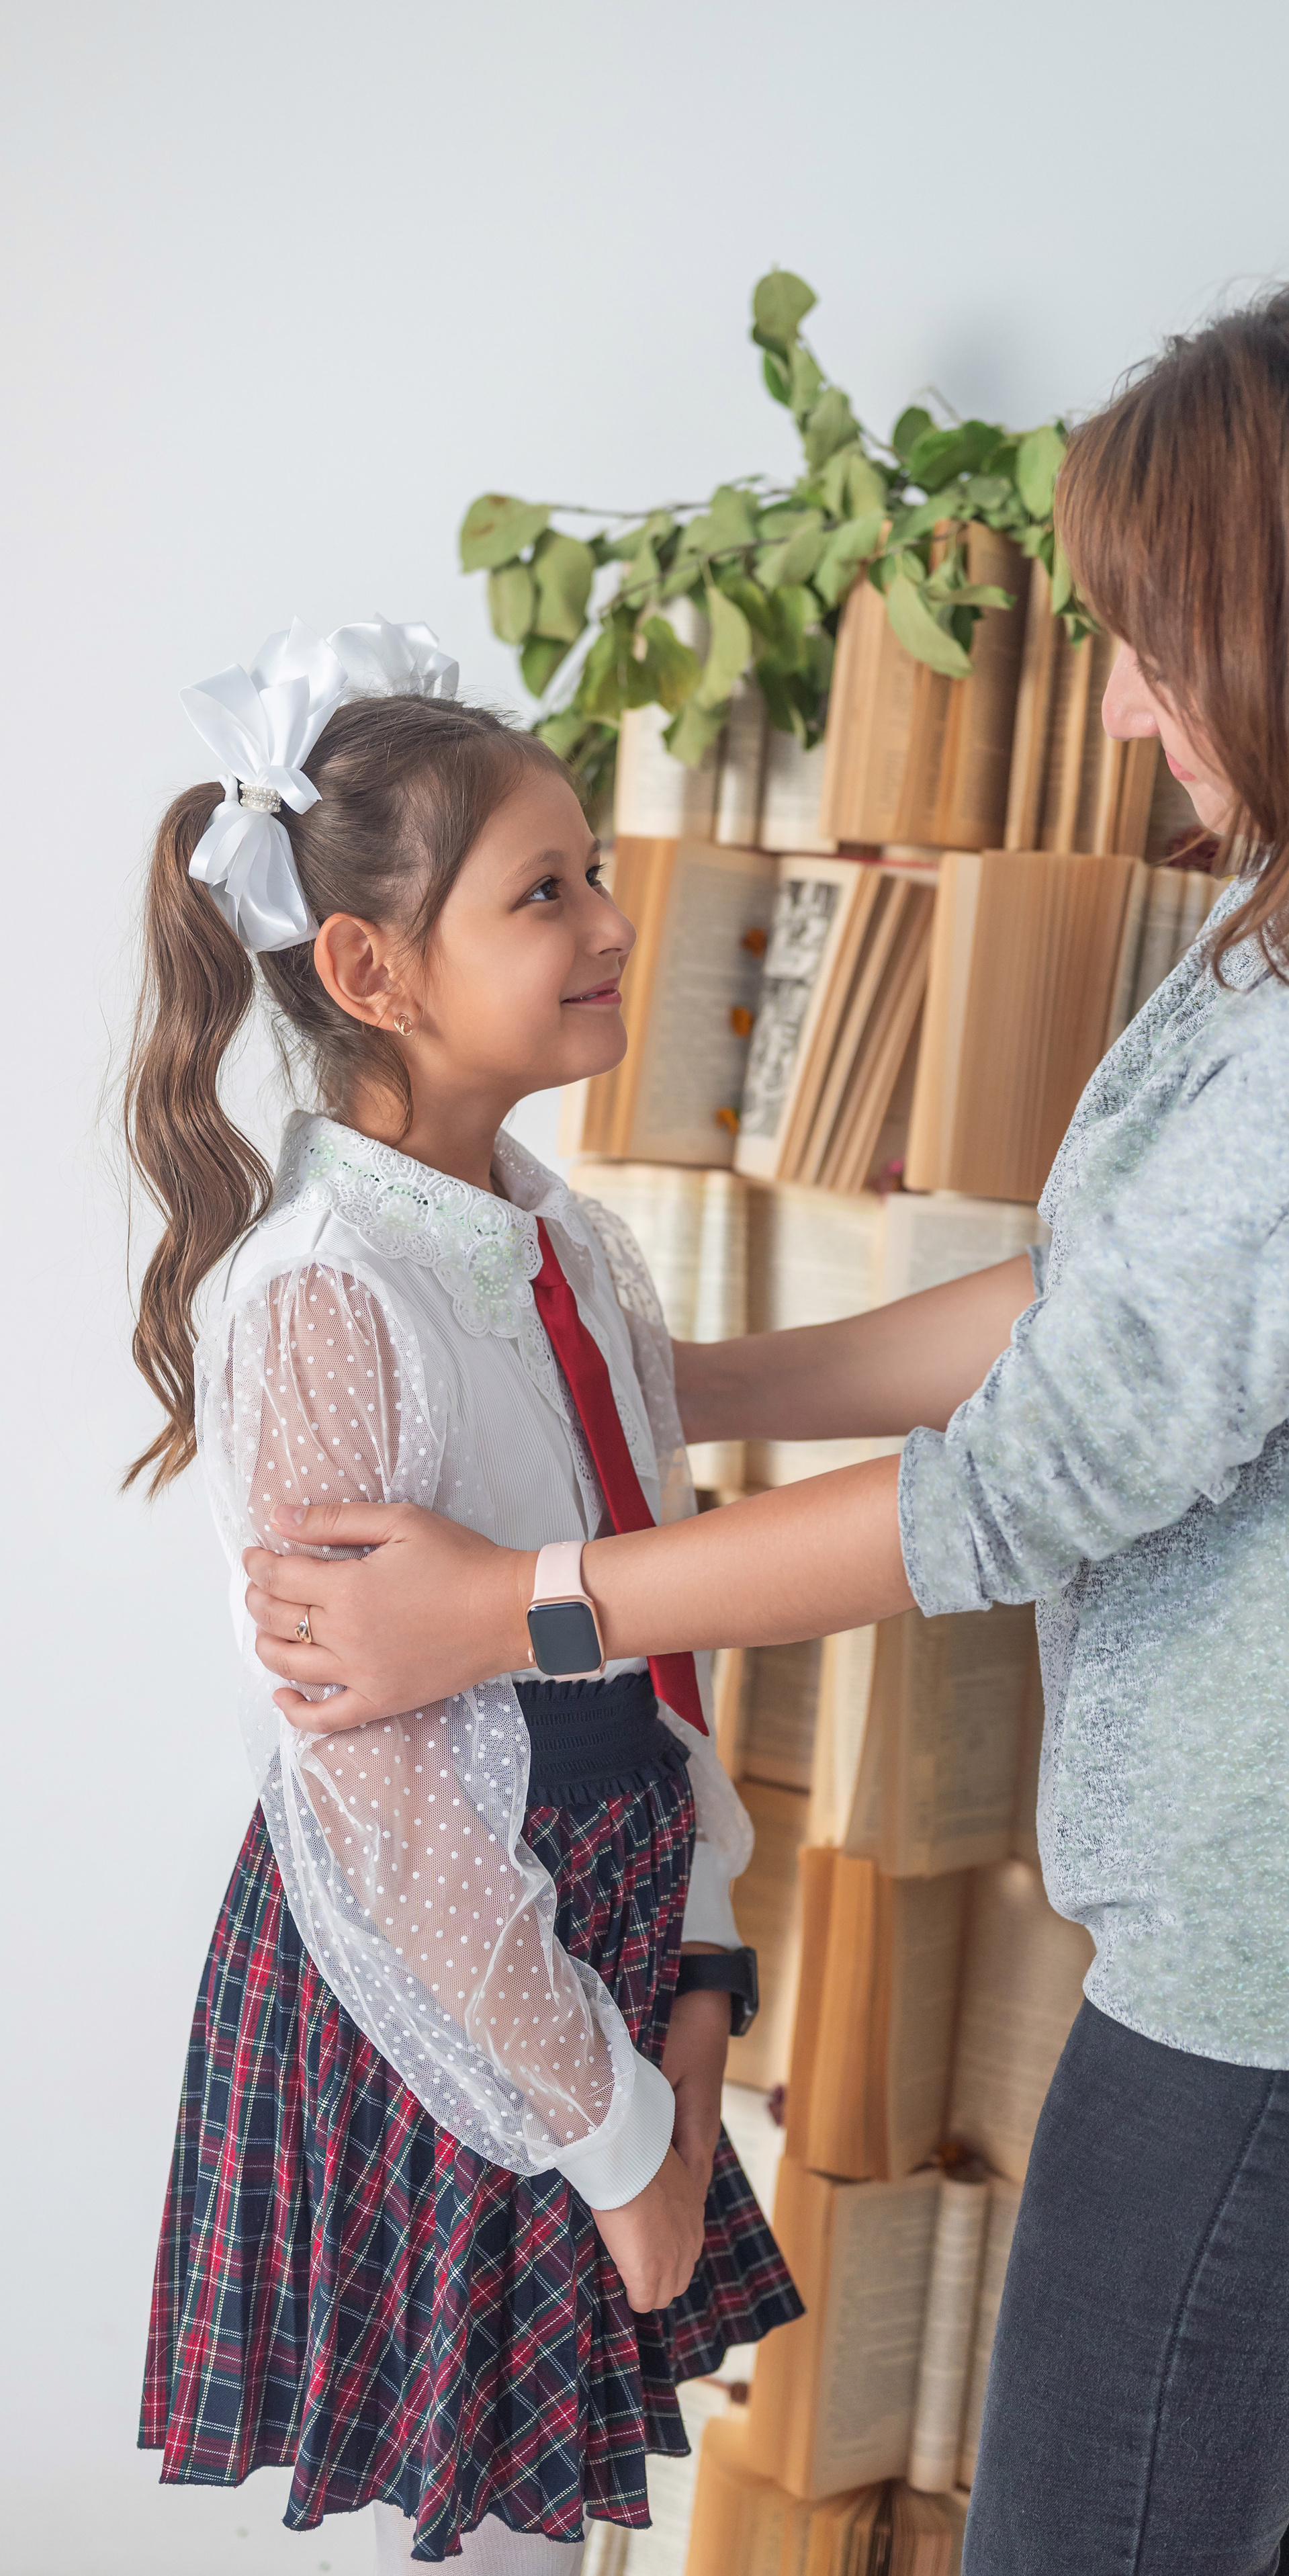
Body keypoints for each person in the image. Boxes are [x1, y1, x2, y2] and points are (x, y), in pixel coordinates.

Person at [240, 285, 1289, 2574]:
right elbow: (1088, 1308)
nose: (1116, 704)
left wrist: (515, 1605)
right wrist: (666, 1389)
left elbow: (1026, 1480)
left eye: (1160, 645)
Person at [126, 617, 800, 2572]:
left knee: (551, 2529)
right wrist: (605, 2129)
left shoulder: (565, 1240)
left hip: (602, 1932)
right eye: (545, 889)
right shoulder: (330, 1289)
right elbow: (394, 1800)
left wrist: (696, 1942)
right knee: (471, 2534)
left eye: (595, 868)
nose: (608, 914)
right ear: (369, 970)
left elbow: (647, 1612)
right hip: (463, 1989)